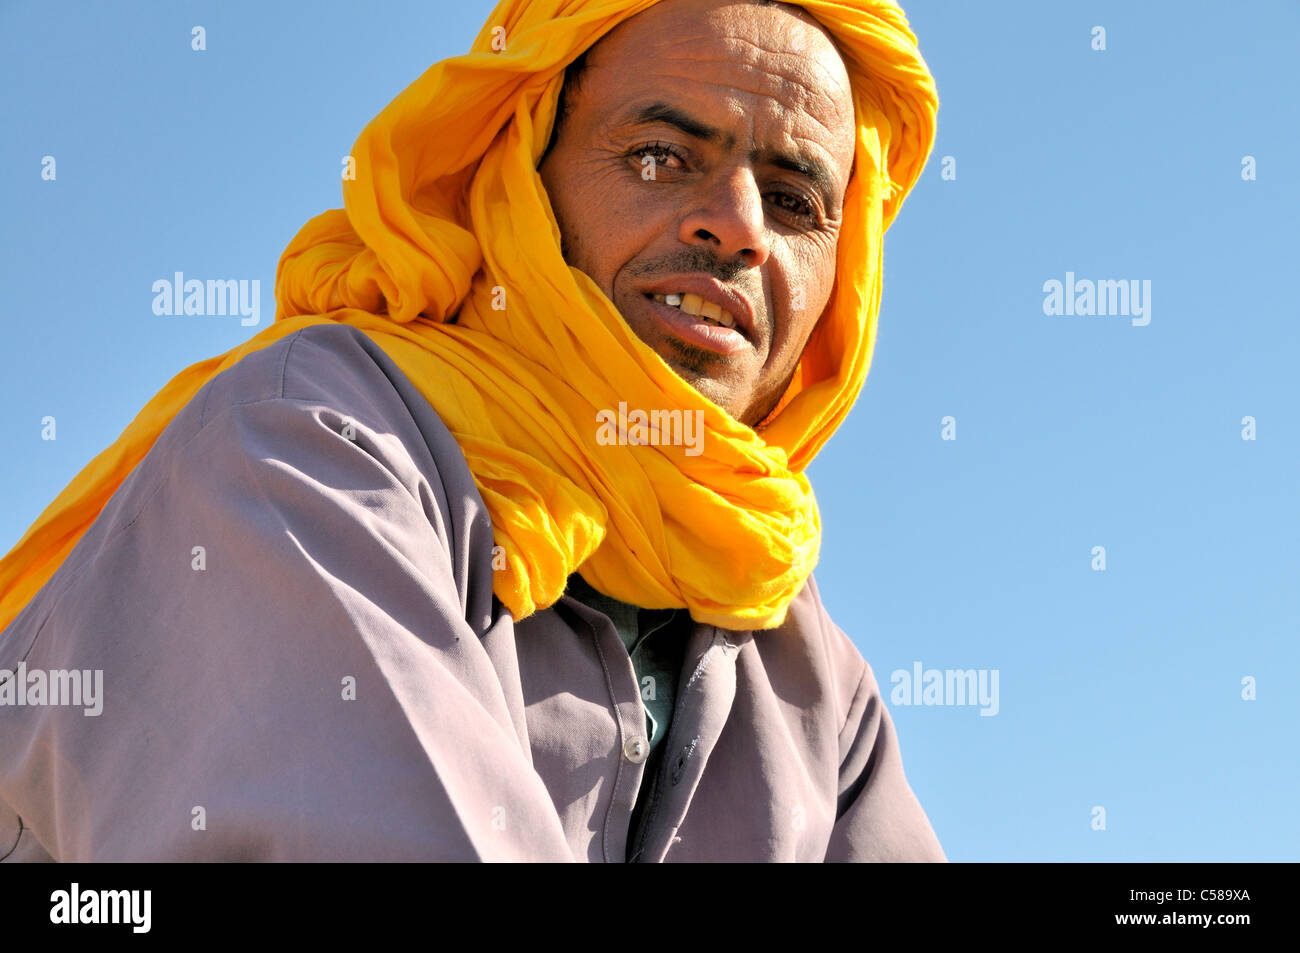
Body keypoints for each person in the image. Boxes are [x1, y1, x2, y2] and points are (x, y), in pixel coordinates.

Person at [0, 0, 943, 861]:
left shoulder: (807, 665)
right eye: (660, 155)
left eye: (794, 201)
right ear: (521, 176)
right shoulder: (314, 446)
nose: (737, 226)